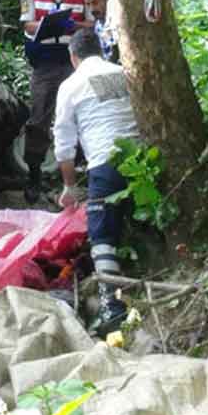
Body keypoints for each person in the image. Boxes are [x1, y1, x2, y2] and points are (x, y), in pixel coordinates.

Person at [53, 29, 140, 336]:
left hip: (106, 162)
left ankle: (111, 308)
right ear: (101, 51)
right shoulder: (123, 72)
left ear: (73, 57)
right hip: (142, 158)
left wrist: (69, 186)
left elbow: (64, 144)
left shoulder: (71, 85)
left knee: (100, 230)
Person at [19, 0, 88, 203]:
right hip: (44, 64)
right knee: (38, 119)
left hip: (74, 63)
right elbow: (26, 23)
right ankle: (33, 175)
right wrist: (48, 25)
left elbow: (93, 22)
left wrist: (72, 24)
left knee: (79, 115)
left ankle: (77, 174)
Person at [83, 0, 119, 64]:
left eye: (95, 3)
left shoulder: (117, 23)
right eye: (88, 4)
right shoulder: (99, 25)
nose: (92, 9)